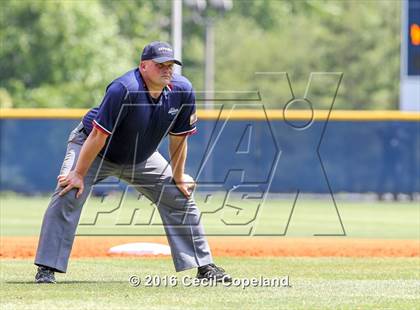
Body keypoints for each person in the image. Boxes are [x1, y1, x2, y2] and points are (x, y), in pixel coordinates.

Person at [34, 41, 231, 284]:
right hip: (94, 150)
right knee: (68, 191)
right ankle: (46, 268)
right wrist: (78, 173)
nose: (166, 69)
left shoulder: (182, 90)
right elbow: (97, 136)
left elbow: (178, 139)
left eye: (170, 65)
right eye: (160, 65)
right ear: (143, 66)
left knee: (179, 196)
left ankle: (204, 266)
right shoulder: (124, 89)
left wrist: (178, 176)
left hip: (141, 157)